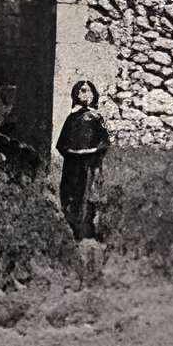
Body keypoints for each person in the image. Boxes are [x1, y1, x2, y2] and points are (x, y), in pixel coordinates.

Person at [55, 79, 110, 242]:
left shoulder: (97, 118)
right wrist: (73, 154)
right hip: (73, 165)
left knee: (89, 196)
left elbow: (104, 142)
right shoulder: (71, 118)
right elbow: (62, 144)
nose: (84, 93)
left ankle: (88, 231)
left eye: (87, 90)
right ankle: (71, 230)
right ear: (75, 94)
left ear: (94, 94)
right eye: (81, 90)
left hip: (91, 165)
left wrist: (91, 153)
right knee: (71, 195)